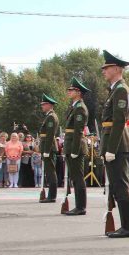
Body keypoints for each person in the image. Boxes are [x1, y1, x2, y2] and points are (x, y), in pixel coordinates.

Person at [100, 50, 129, 237]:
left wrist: (112, 148)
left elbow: (119, 120)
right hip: (111, 141)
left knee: (120, 185)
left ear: (116, 68)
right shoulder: (115, 89)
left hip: (117, 143)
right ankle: (127, 223)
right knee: (116, 186)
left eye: (106, 68)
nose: (103, 71)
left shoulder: (121, 89)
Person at [63, 77, 90, 215]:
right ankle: (78, 206)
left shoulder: (80, 108)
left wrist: (74, 150)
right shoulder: (74, 107)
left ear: (78, 92)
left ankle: (81, 207)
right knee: (74, 177)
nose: (69, 91)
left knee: (78, 177)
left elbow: (78, 130)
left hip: (76, 146)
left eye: (71, 90)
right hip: (71, 144)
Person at [37, 95, 60, 201]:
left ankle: (52, 196)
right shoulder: (48, 116)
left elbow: (50, 135)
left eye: (44, 104)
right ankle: (50, 195)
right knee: (48, 171)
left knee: (51, 172)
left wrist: (46, 150)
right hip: (46, 146)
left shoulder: (51, 117)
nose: (42, 106)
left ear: (49, 105)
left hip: (49, 147)